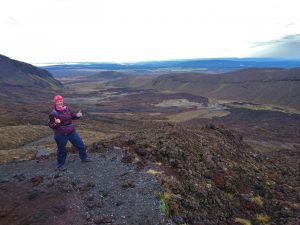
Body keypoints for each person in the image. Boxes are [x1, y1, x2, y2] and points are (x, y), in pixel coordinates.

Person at [48, 95, 91, 170]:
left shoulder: (66, 108)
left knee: (81, 144)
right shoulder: (53, 113)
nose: (59, 103)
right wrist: (56, 123)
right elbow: (51, 125)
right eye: (58, 101)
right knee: (61, 150)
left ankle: (84, 158)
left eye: (61, 101)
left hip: (71, 131)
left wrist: (77, 116)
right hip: (61, 134)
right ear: (55, 103)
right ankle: (60, 165)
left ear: (62, 101)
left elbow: (71, 116)